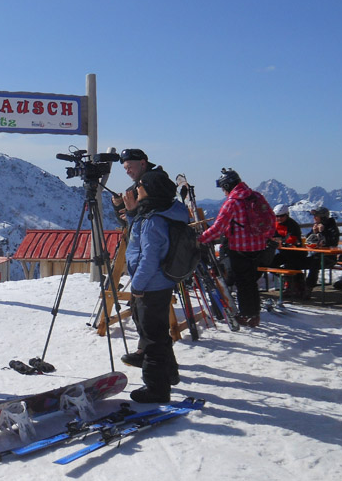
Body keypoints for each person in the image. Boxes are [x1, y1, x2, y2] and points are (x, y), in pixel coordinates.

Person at [125, 169, 190, 403]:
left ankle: (156, 389)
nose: (136, 189)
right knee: (158, 333)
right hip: (162, 282)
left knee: (152, 339)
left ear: (150, 190)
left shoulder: (154, 220)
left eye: (140, 185)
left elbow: (148, 256)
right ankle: (169, 375)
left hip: (150, 285)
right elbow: (139, 237)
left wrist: (138, 285)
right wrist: (133, 213)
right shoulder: (166, 211)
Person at [111, 148, 166, 367]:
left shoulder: (152, 184)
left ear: (143, 163)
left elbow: (145, 229)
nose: (127, 171)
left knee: (151, 324)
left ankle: (154, 372)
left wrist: (139, 284)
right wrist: (122, 209)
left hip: (151, 272)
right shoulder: (146, 185)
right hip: (152, 269)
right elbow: (132, 223)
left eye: (130, 166)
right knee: (147, 319)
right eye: (124, 168)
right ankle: (164, 367)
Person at [198, 169, 272, 327]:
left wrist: (200, 239)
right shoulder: (256, 196)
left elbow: (218, 228)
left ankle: (246, 315)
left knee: (242, 283)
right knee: (251, 282)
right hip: (259, 247)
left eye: (223, 188)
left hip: (239, 248)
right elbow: (271, 218)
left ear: (227, 185)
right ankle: (255, 315)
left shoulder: (233, 202)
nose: (223, 192)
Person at [267, 204, 307, 298]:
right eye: (277, 216)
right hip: (284, 253)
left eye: (281, 216)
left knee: (291, 265)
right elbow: (272, 236)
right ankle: (287, 280)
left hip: (296, 253)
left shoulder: (292, 225)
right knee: (270, 263)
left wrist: (279, 240)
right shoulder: (275, 224)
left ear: (287, 215)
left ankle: (293, 286)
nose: (279, 218)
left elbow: (292, 239)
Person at [304, 206, 340, 293]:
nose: (314, 218)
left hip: (329, 257)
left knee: (315, 263)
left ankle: (308, 287)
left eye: (316, 216)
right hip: (316, 254)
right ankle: (296, 284)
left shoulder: (331, 227)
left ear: (323, 217)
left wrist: (322, 232)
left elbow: (332, 242)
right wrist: (314, 232)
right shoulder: (317, 226)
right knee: (298, 260)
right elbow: (307, 241)